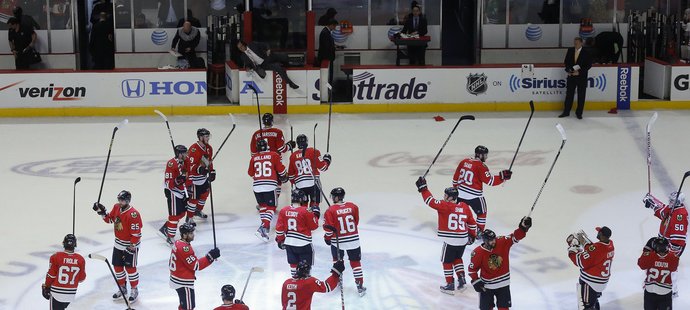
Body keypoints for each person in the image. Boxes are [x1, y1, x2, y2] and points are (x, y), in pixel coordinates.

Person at [416, 177, 477, 294]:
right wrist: (472, 236)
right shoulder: (465, 206)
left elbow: (430, 200)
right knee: (457, 258)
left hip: (451, 240)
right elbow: (472, 223)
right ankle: (462, 279)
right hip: (463, 239)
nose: (444, 197)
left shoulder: (445, 205)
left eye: (445, 195)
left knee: (446, 261)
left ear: (451, 197)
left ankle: (450, 284)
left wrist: (424, 189)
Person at [469, 216, 532, 310]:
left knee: (504, 308)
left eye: (494, 239)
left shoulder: (502, 241)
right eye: (491, 240)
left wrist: (523, 228)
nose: (494, 241)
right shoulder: (478, 252)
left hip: (503, 284)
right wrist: (475, 280)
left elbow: (515, 237)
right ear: (485, 241)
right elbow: (472, 270)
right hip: (487, 286)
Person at [93, 190, 143, 303]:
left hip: (130, 246)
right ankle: (122, 288)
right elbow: (109, 219)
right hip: (118, 243)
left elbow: (137, 233)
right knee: (117, 267)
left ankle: (134, 289)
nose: (120, 202)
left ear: (128, 200)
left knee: (130, 268)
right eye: (119, 200)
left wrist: (132, 246)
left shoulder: (133, 214)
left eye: (123, 200)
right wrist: (101, 211)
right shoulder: (116, 207)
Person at [452, 145, 512, 233]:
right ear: (480, 155)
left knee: (457, 210)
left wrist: (456, 191)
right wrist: (502, 177)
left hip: (460, 193)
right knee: (482, 213)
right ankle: (478, 231)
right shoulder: (481, 166)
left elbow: (455, 178)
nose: (486, 157)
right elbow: (490, 181)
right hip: (474, 196)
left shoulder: (464, 161)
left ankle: (456, 226)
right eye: (485, 155)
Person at [323, 187, 367, 296]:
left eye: (333, 196)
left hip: (338, 241)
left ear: (336, 197)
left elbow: (329, 229)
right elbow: (356, 221)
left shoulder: (330, 210)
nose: (332, 198)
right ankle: (360, 285)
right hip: (353, 240)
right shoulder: (353, 206)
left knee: (337, 262)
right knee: (355, 263)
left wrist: (327, 238)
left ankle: (337, 280)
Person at [644, 191, 687, 297]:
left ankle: (673, 290)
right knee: (662, 265)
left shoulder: (680, 215)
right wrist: (651, 202)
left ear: (678, 202)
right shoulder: (672, 208)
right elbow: (662, 212)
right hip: (663, 243)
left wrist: (671, 251)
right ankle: (661, 284)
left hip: (672, 246)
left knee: (670, 267)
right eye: (670, 200)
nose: (670, 202)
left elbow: (678, 239)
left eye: (673, 201)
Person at [169, 222, 221, 310]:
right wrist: (210, 256)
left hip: (177, 278)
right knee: (188, 307)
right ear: (184, 235)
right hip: (183, 282)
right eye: (191, 233)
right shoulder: (184, 248)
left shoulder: (178, 242)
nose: (193, 235)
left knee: (185, 305)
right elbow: (196, 265)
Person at [249, 138, 287, 242]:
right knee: (271, 207)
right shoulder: (274, 155)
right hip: (270, 185)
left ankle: (265, 227)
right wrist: (284, 176)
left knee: (263, 207)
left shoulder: (254, 157)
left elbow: (251, 173)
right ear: (267, 146)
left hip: (256, 186)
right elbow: (281, 170)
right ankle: (263, 226)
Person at [567, 226, 615, 310]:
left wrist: (572, 249)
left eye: (599, 232)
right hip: (602, 281)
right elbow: (593, 249)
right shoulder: (610, 244)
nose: (598, 233)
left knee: (587, 307)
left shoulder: (598, 249)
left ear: (602, 235)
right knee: (594, 302)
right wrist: (584, 240)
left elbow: (580, 261)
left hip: (590, 282)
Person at [276, 189, 319, 276]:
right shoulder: (306, 211)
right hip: (304, 243)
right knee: (306, 267)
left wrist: (281, 240)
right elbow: (314, 226)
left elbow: (279, 229)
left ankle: (294, 283)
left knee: (293, 265)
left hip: (290, 244)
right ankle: (305, 284)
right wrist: (316, 215)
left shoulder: (284, 210)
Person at [288, 134, 331, 215]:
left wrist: (295, 183)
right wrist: (327, 160)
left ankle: (304, 216)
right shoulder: (314, 151)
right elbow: (323, 168)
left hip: (299, 184)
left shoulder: (292, 156)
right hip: (313, 182)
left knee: (303, 203)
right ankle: (313, 216)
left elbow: (291, 175)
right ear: (306, 142)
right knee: (315, 201)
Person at [42, 234, 86, 310]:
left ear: (63, 243)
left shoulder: (55, 257)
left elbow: (51, 275)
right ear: (75, 245)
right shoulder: (80, 259)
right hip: (70, 295)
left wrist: (46, 287)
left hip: (56, 294)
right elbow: (82, 278)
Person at [159, 145, 190, 245]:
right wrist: (177, 180)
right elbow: (168, 182)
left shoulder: (184, 161)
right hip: (172, 192)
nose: (186, 154)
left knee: (182, 213)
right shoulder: (171, 164)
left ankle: (166, 227)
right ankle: (170, 236)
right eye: (184, 153)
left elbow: (187, 172)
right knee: (174, 215)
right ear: (179, 154)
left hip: (181, 191)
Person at [638, 237, 679, 310]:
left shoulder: (649, 256)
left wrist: (646, 251)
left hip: (650, 291)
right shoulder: (673, 257)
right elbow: (674, 268)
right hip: (665, 292)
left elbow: (641, 265)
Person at [559, 37, 592, 119]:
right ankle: (566, 112)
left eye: (577, 43)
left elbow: (588, 65)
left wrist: (579, 72)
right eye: (574, 43)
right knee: (569, 95)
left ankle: (579, 113)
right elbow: (566, 62)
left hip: (581, 78)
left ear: (581, 43)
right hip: (571, 77)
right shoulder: (570, 50)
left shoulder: (586, 52)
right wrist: (568, 70)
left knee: (581, 95)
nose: (575, 45)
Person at [187, 128, 215, 222]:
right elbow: (189, 166)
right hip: (194, 180)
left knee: (205, 194)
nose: (208, 138)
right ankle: (190, 218)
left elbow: (209, 162)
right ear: (200, 137)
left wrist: (211, 171)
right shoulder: (194, 149)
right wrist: (199, 169)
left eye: (208, 136)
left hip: (203, 178)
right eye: (206, 137)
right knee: (194, 199)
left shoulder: (209, 148)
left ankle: (198, 210)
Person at [317, 19, 337, 85]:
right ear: (331, 25)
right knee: (327, 74)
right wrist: (334, 48)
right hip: (326, 57)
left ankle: (329, 86)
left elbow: (329, 44)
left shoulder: (326, 32)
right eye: (334, 26)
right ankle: (328, 87)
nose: (335, 28)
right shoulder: (325, 32)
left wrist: (336, 46)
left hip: (327, 57)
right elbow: (326, 46)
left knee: (329, 74)